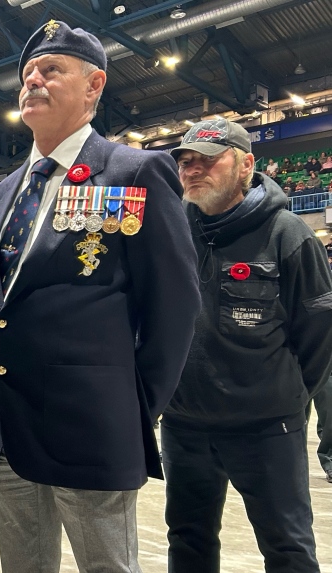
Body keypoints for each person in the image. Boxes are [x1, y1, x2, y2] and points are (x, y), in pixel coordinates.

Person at [0, 21, 200, 572]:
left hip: (92, 424)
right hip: (9, 424)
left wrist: (132, 406)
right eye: (28, 73)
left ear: (94, 85)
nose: (33, 81)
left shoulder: (134, 172)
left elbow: (174, 306)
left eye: (51, 70)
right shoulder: (3, 192)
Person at [165, 119, 332, 571]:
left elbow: (322, 340)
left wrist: (309, 417)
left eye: (207, 159)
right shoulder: (171, 233)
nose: (192, 169)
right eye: (185, 161)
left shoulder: (289, 235)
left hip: (266, 428)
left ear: (246, 165)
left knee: (288, 548)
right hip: (184, 427)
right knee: (188, 542)